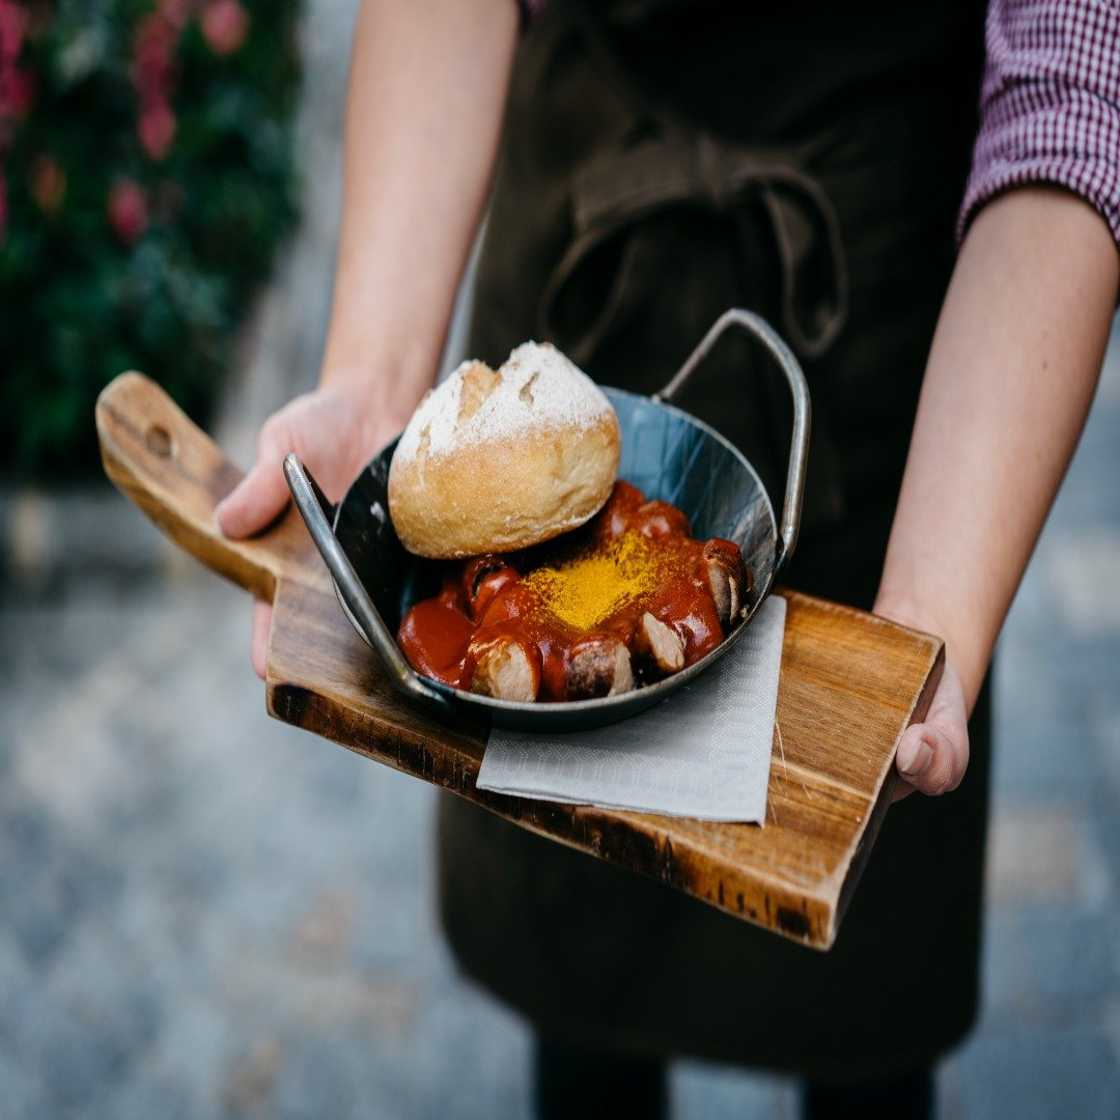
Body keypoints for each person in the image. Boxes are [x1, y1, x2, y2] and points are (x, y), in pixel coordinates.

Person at [216, 1, 1120, 1116]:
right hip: (569, 286)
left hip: (893, 351)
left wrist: (927, 605)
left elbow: (1067, 106)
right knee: (582, 982)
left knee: (859, 997)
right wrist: (371, 380)